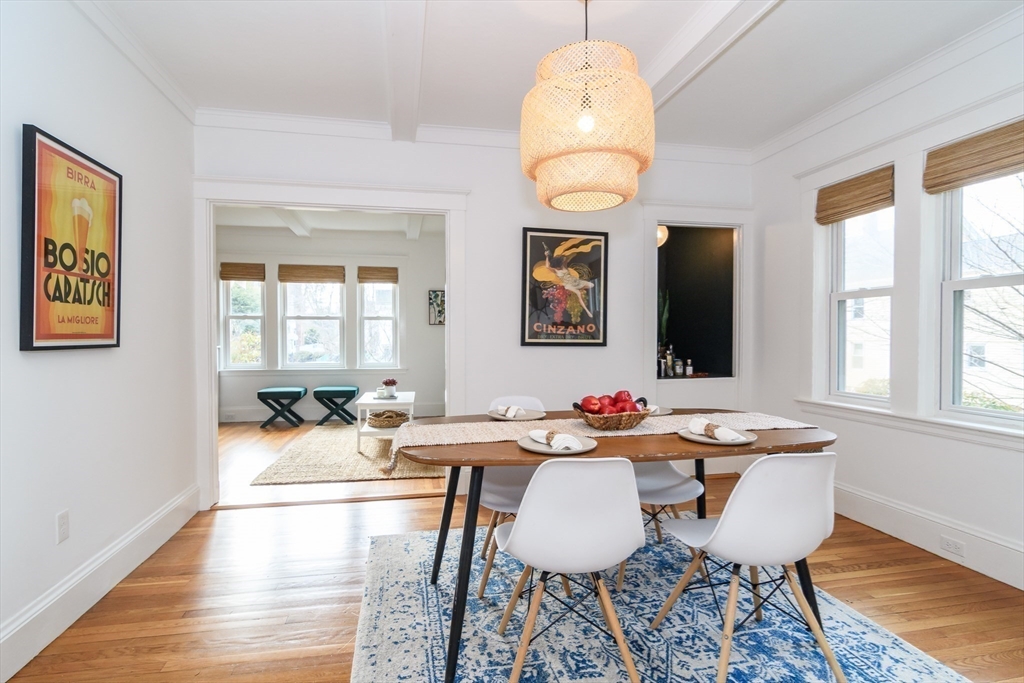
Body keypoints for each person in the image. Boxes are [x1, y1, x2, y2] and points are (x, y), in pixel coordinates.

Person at [544, 243, 595, 318]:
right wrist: (547, 256)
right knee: (579, 294)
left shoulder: (564, 266)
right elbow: (547, 266)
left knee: (592, 285)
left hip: (575, 281)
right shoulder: (555, 270)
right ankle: (588, 312)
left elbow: (565, 258)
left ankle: (579, 289)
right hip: (569, 285)